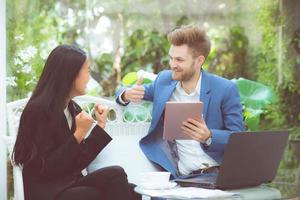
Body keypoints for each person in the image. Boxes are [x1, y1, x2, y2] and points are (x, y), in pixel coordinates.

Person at [13, 45, 140, 200]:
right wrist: (78, 134)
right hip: (47, 190)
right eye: (87, 70)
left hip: (69, 184)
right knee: (106, 191)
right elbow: (47, 169)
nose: (89, 77)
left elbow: (77, 162)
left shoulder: (72, 108)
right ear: (70, 74)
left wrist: (100, 126)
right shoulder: (37, 110)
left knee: (128, 185)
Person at [116, 25, 245, 178]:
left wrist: (209, 136)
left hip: (214, 175)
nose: (173, 65)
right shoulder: (164, 81)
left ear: (199, 61)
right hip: (178, 177)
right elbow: (123, 91)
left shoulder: (225, 89)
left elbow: (238, 139)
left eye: (179, 60)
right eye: (171, 58)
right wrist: (126, 94)